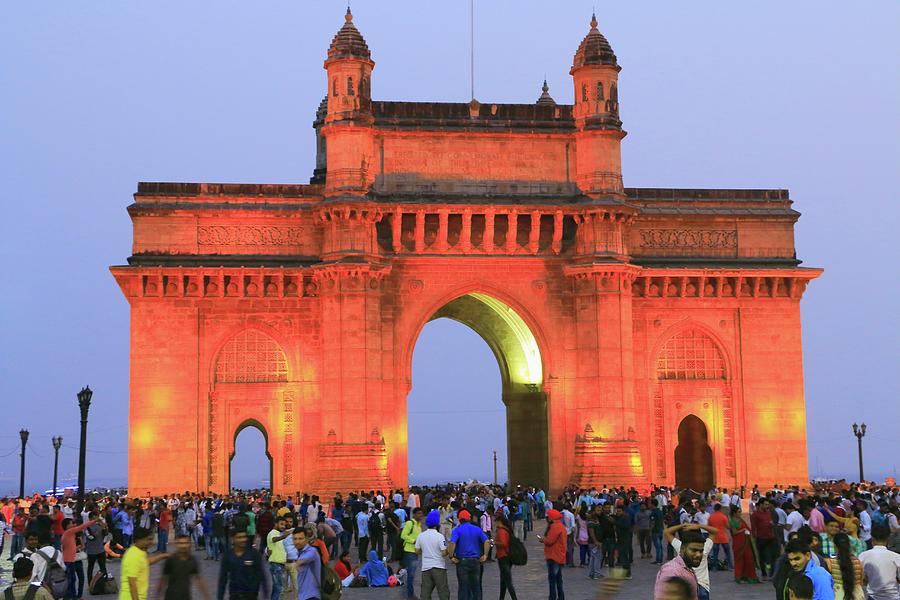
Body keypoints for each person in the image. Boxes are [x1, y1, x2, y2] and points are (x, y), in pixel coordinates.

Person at [665, 522, 717, 600]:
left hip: (687, 586)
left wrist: (682, 525)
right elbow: (714, 531)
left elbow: (667, 532)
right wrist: (699, 526)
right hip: (702, 586)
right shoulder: (704, 548)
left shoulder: (682, 547)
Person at [447, 509, 489, 600]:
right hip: (476, 561)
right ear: (469, 518)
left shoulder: (457, 530)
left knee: (463, 587)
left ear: (459, 519)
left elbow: (452, 543)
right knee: (476, 587)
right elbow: (486, 541)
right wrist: (485, 555)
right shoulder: (477, 529)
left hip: (462, 561)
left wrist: (451, 556)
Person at [216, 529, 268, 600]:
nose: (243, 540)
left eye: (244, 537)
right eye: (239, 537)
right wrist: (220, 597)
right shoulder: (228, 556)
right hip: (235, 595)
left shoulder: (254, 554)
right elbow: (223, 579)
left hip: (251, 595)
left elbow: (262, 576)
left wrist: (266, 595)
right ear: (232, 539)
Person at [653, 530, 704, 600]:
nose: (698, 555)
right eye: (694, 550)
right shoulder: (672, 571)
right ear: (682, 549)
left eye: (701, 551)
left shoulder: (686, 568)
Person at [120, 526, 168, 600]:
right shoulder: (133, 555)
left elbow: (146, 562)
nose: (151, 542)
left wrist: (164, 556)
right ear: (138, 540)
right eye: (148, 540)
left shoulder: (141, 551)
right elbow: (132, 583)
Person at [159, 534, 212, 600]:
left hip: (186, 596)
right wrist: (157, 596)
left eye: (185, 543)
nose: (183, 546)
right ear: (176, 545)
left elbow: (198, 579)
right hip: (171, 597)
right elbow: (163, 580)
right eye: (180, 543)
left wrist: (206, 596)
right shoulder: (170, 560)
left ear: (189, 544)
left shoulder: (192, 560)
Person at [858, 523, 900, 600]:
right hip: (893, 596)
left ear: (872, 539)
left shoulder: (863, 556)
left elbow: (861, 578)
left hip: (873, 597)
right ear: (888, 539)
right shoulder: (896, 557)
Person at [416, 509, 449, 600]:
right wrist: (448, 551)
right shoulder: (440, 536)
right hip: (439, 567)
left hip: (426, 567)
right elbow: (443, 552)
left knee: (425, 593)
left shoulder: (421, 536)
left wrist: (426, 551)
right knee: (443, 592)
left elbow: (417, 551)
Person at [60, 517, 95, 600]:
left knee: (73, 580)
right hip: (69, 561)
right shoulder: (69, 532)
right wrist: (94, 520)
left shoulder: (69, 534)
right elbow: (82, 526)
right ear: (67, 526)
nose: (74, 525)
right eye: (71, 523)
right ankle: (71, 597)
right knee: (71, 580)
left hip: (71, 559)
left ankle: (75, 597)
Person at [537, 509, 566, 600]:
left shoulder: (555, 527)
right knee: (558, 579)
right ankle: (561, 597)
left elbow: (549, 541)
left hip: (554, 555)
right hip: (559, 555)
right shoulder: (561, 525)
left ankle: (552, 597)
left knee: (552, 580)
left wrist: (543, 540)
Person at [824, 532, 863, 600]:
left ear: (835, 546)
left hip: (838, 595)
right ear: (849, 545)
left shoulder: (830, 563)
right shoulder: (858, 562)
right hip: (857, 595)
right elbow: (861, 582)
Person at [728, 505, 759, 583]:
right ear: (734, 513)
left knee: (748, 559)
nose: (740, 513)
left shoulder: (741, 520)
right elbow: (734, 532)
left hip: (746, 543)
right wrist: (743, 530)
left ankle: (749, 576)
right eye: (739, 512)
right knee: (739, 560)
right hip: (739, 544)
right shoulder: (733, 521)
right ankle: (739, 577)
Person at [266, 517, 294, 600]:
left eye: (284, 525)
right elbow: (274, 539)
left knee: (277, 588)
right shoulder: (273, 533)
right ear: (275, 524)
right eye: (281, 524)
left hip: (278, 565)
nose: (283, 526)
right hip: (275, 565)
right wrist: (284, 536)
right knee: (278, 589)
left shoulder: (277, 533)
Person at [292, 528, 322, 600]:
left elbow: (302, 560)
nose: (297, 542)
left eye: (300, 538)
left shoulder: (312, 551)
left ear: (306, 539)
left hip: (311, 596)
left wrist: (296, 564)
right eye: (295, 539)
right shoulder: (297, 552)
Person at [400, 507, 424, 599]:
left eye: (421, 513)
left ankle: (410, 593)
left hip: (416, 552)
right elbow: (403, 535)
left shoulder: (419, 525)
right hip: (409, 551)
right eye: (418, 513)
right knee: (411, 574)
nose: (420, 515)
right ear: (414, 514)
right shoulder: (410, 523)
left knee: (411, 574)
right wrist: (413, 541)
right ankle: (410, 594)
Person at [493, 513, 517, 600]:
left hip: (503, 556)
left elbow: (503, 543)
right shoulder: (507, 530)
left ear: (500, 522)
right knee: (503, 580)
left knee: (507, 580)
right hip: (507, 556)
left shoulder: (502, 531)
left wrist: (495, 542)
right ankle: (501, 597)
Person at [707, 504, 732, 570]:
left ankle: (714, 567)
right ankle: (729, 566)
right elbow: (728, 527)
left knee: (715, 553)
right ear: (720, 509)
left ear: (714, 509)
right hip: (723, 537)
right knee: (727, 552)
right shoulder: (723, 517)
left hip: (715, 537)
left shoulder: (711, 517)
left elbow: (709, 527)